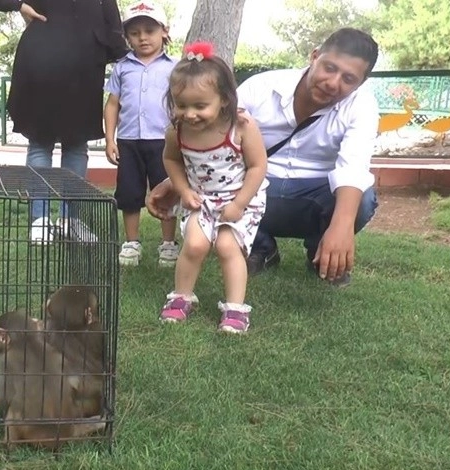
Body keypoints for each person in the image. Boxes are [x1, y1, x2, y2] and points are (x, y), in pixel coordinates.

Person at [147, 28, 380, 287]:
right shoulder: (262, 87)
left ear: (361, 82)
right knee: (235, 182)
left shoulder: (363, 106)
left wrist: (342, 227)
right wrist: (175, 183)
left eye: (348, 78)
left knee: (363, 199)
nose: (333, 82)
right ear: (314, 56)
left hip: (314, 191)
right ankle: (261, 248)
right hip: (252, 184)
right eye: (329, 67)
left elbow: (353, 168)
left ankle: (321, 253)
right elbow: (211, 132)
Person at [0, 0, 128, 244]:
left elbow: (112, 23)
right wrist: (17, 4)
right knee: (40, 143)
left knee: (77, 145)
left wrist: (128, 58)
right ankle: (40, 220)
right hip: (42, 64)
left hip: (84, 69)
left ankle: (71, 220)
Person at [158, 42, 268, 334]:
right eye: (182, 105)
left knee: (226, 246)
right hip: (202, 199)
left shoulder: (241, 126)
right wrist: (183, 190)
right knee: (194, 244)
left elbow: (258, 166)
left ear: (224, 99)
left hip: (241, 197)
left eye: (200, 106)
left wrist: (240, 204)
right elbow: (171, 160)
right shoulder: (176, 131)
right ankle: (181, 297)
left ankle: (235, 309)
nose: (190, 114)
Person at [103, 1, 178, 267]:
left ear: (164, 32)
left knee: (167, 192)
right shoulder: (122, 67)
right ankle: (131, 243)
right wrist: (110, 139)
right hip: (129, 141)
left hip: (165, 143)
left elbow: (182, 102)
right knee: (129, 192)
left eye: (149, 30)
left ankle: (168, 244)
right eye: (135, 33)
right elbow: (113, 103)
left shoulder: (175, 67)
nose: (142, 37)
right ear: (127, 37)